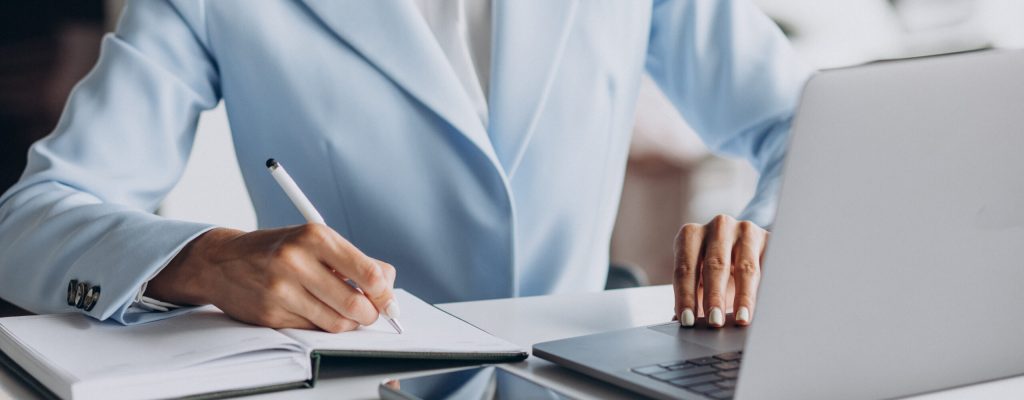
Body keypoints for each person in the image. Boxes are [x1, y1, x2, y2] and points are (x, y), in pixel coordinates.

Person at [0, 0, 811, 331]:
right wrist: (205, 260)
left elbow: (801, 120)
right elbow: (30, 222)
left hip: (588, 373)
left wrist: (768, 236)